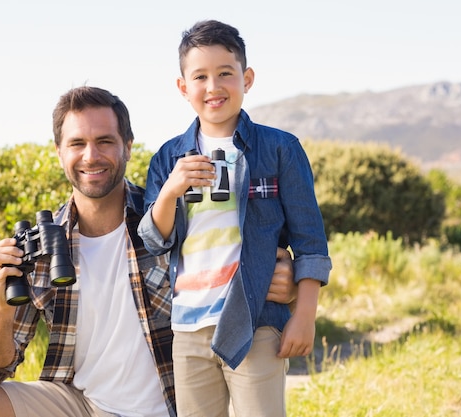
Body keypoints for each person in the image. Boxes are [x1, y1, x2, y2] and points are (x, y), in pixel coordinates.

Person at [0, 86, 297, 417]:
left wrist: (284, 279)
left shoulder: (168, 219)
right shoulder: (44, 246)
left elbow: (244, 253)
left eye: (104, 141)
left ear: (127, 147)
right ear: (58, 152)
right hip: (83, 404)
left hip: (172, 405)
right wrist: (1, 308)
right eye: (77, 143)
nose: (91, 156)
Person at [137, 20, 332, 417]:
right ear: (183, 87)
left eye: (225, 73)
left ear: (247, 78)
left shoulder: (280, 149)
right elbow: (154, 240)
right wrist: (172, 190)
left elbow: (310, 240)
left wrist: (305, 316)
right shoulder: (168, 158)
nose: (214, 87)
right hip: (188, 328)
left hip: (255, 321)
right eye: (200, 76)